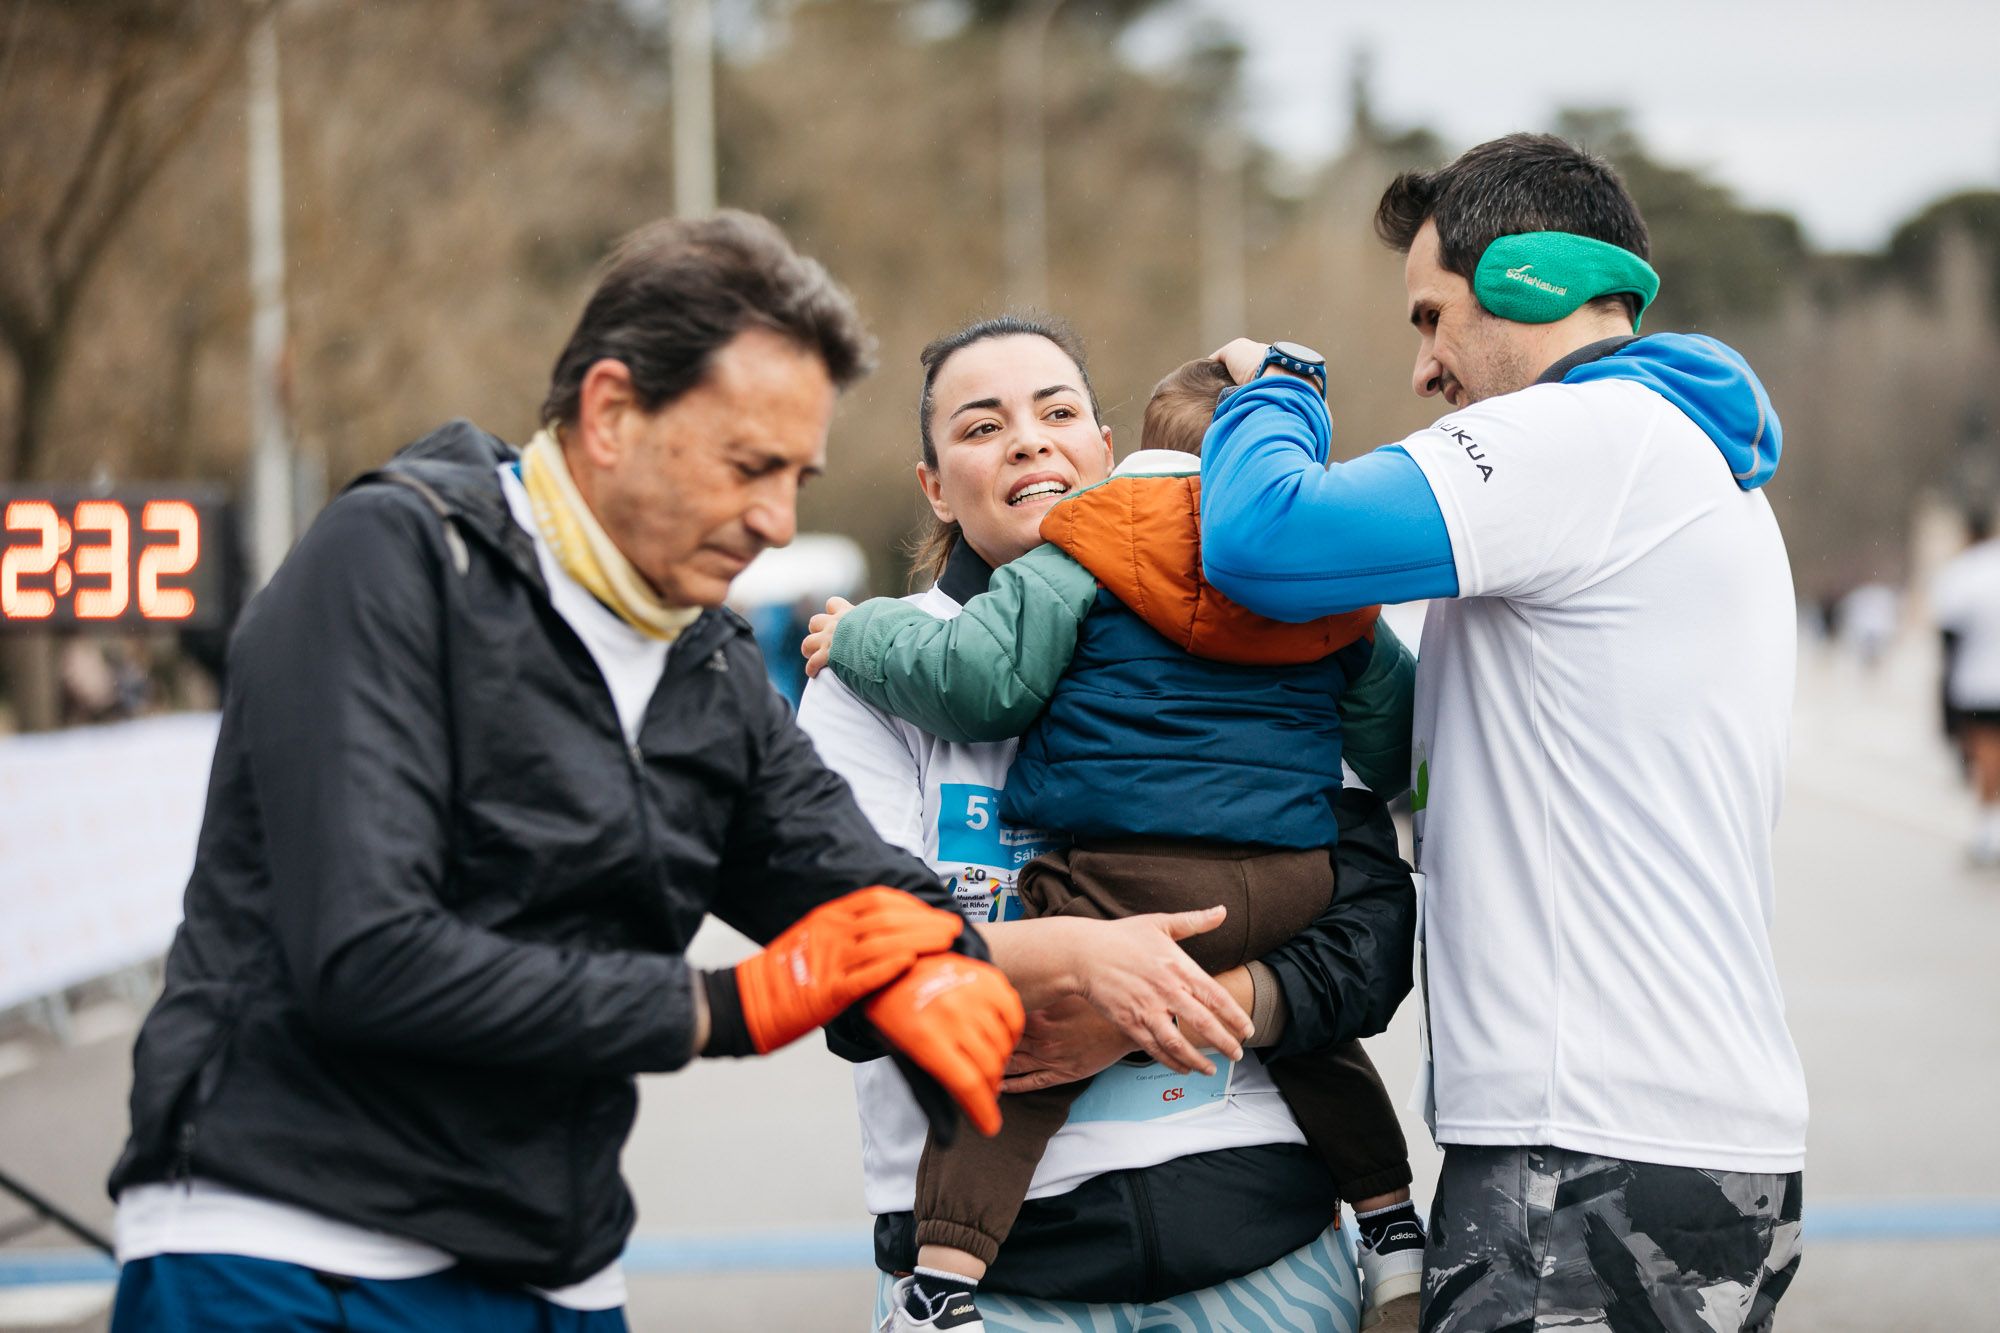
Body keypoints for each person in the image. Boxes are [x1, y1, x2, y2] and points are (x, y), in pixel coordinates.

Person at [103, 214, 1212, 1332]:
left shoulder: (703, 658)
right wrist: (723, 1007)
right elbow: (366, 954)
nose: (776, 520)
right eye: (747, 466)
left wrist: (940, 962)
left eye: (797, 476)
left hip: (555, 1263)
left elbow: (855, 888)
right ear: (611, 414)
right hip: (279, 1245)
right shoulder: (390, 556)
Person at [1197, 133, 1807, 1331]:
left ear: (1526, 281)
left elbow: (1263, 536)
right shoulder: (1664, 459)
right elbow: (1425, 752)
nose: (1423, 368)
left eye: (1432, 317)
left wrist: (1272, 386)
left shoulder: (1587, 437)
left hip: (1586, 1143)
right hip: (1650, 1135)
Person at [793, 317, 1419, 1333]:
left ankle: (1390, 1221)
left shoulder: (1250, 623)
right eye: (981, 425)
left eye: (1056, 413)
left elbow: (1369, 934)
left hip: (1263, 1249)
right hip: (998, 1281)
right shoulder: (869, 682)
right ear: (934, 488)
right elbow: (851, 982)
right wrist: (1072, 961)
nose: (1029, 441)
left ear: (1106, 451)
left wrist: (1193, 1001)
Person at [1932, 509, 2000, 865]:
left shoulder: (1964, 572)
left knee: (1987, 756)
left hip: (1980, 681)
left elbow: (1949, 636)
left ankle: (1989, 831)